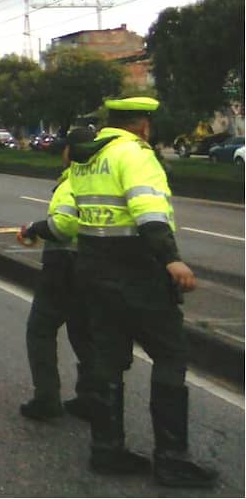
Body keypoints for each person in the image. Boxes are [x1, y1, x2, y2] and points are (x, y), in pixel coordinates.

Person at [68, 96, 217, 488]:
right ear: (143, 124)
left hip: (94, 269)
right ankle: (170, 459)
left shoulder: (88, 157)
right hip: (138, 271)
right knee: (170, 355)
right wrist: (172, 259)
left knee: (109, 360)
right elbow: (148, 211)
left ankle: (107, 449)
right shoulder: (134, 154)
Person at [16, 127, 96, 422]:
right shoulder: (104, 179)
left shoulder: (72, 181)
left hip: (63, 266)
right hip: (96, 265)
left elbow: (62, 225)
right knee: (84, 333)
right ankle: (93, 397)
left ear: (69, 152)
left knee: (40, 330)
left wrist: (35, 228)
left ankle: (46, 400)